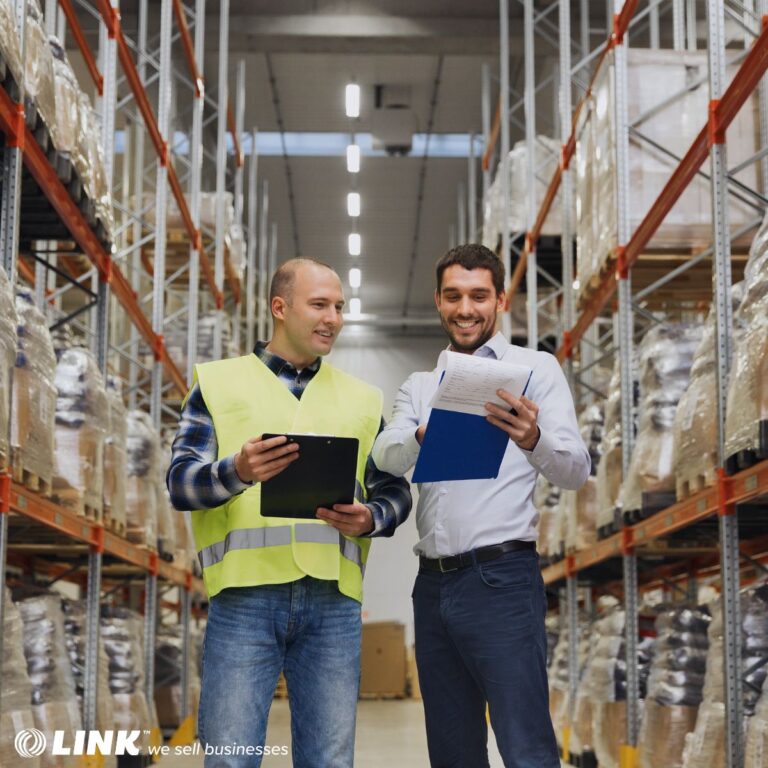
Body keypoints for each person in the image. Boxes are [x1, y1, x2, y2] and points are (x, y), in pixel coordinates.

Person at [167, 258, 412, 768]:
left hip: (334, 605)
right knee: (231, 759)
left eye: (339, 307)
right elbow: (180, 484)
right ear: (280, 308)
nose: (334, 318)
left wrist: (372, 516)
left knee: (329, 760)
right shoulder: (218, 384)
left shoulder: (363, 400)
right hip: (243, 603)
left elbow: (395, 490)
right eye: (319, 304)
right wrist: (237, 470)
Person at [371, 244, 590, 768]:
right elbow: (386, 455)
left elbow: (577, 470)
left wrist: (533, 437)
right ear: (438, 301)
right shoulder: (419, 386)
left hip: (501, 580)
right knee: (451, 749)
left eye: (478, 296)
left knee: (525, 744)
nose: (464, 308)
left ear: (500, 299)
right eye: (453, 296)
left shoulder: (534, 370)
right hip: (433, 585)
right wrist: (425, 433)